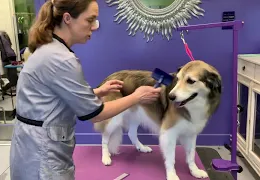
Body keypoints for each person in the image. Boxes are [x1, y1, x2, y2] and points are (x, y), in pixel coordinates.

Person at [9, 0, 161, 180]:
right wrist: (136, 96)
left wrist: (97, 92)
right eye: (90, 20)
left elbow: (53, 96)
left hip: (29, 146)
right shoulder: (62, 60)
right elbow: (95, 113)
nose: (94, 27)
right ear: (67, 18)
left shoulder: (49, 51)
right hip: (42, 153)